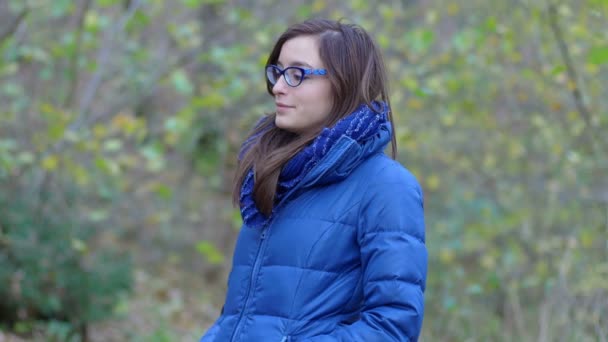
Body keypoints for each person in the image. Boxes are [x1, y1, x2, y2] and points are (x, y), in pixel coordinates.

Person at [200, 18, 427, 342]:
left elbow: (392, 327)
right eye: (277, 72)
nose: (278, 86)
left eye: (297, 74)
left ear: (343, 83)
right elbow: (240, 317)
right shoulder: (270, 175)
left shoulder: (386, 187)